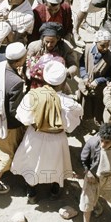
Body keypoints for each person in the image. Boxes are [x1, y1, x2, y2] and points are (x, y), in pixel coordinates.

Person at [12, 61, 83, 203]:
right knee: (56, 164)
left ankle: (31, 192)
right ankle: (55, 190)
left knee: (32, 163)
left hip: (35, 135)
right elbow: (72, 125)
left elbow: (23, 118)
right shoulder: (69, 103)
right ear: (63, 82)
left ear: (45, 79)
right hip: (57, 139)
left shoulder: (32, 96)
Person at [0, 42, 27, 194]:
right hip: (6, 124)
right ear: (18, 62)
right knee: (6, 153)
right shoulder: (16, 83)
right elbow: (14, 111)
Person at [78, 31, 111, 124]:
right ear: (96, 42)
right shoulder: (87, 49)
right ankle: (81, 120)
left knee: (98, 107)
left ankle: (98, 122)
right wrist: (84, 76)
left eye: (108, 45)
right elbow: (82, 64)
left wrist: (99, 80)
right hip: (85, 85)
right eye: (102, 45)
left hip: (99, 89)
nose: (105, 48)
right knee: (84, 104)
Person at [27, 22, 78, 89]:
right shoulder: (34, 47)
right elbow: (26, 63)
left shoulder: (65, 47)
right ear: (42, 38)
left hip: (57, 83)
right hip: (37, 82)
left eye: (52, 42)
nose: (49, 45)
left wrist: (66, 72)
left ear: (58, 38)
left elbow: (73, 66)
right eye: (47, 41)